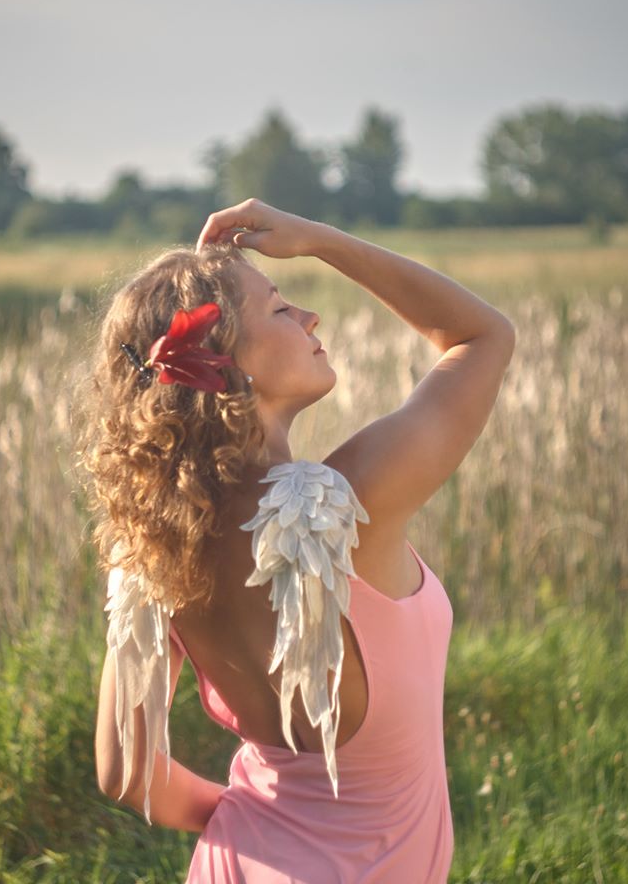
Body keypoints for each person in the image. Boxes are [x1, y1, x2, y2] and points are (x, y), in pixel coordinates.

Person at [80, 199, 516, 883]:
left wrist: (242, 819)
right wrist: (318, 240)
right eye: (282, 309)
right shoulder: (346, 505)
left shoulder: (157, 553)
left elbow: (124, 769)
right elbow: (483, 336)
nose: (311, 318)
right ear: (225, 365)